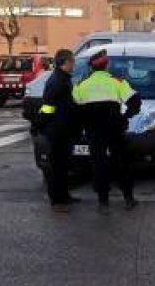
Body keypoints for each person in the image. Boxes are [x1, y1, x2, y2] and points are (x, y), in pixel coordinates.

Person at [72, 50, 142, 213]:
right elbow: (135, 101)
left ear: (91, 68)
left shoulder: (81, 85)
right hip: (115, 129)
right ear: (107, 66)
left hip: (93, 131)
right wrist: (125, 116)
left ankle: (103, 203)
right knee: (121, 162)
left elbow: (75, 107)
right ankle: (128, 199)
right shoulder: (117, 82)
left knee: (99, 164)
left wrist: (83, 123)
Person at [37, 49, 79, 214]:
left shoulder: (63, 79)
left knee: (64, 165)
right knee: (57, 166)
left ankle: (65, 195)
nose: (74, 64)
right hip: (57, 130)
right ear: (66, 62)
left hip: (64, 129)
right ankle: (56, 200)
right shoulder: (57, 81)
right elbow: (48, 106)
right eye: (72, 61)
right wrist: (42, 125)